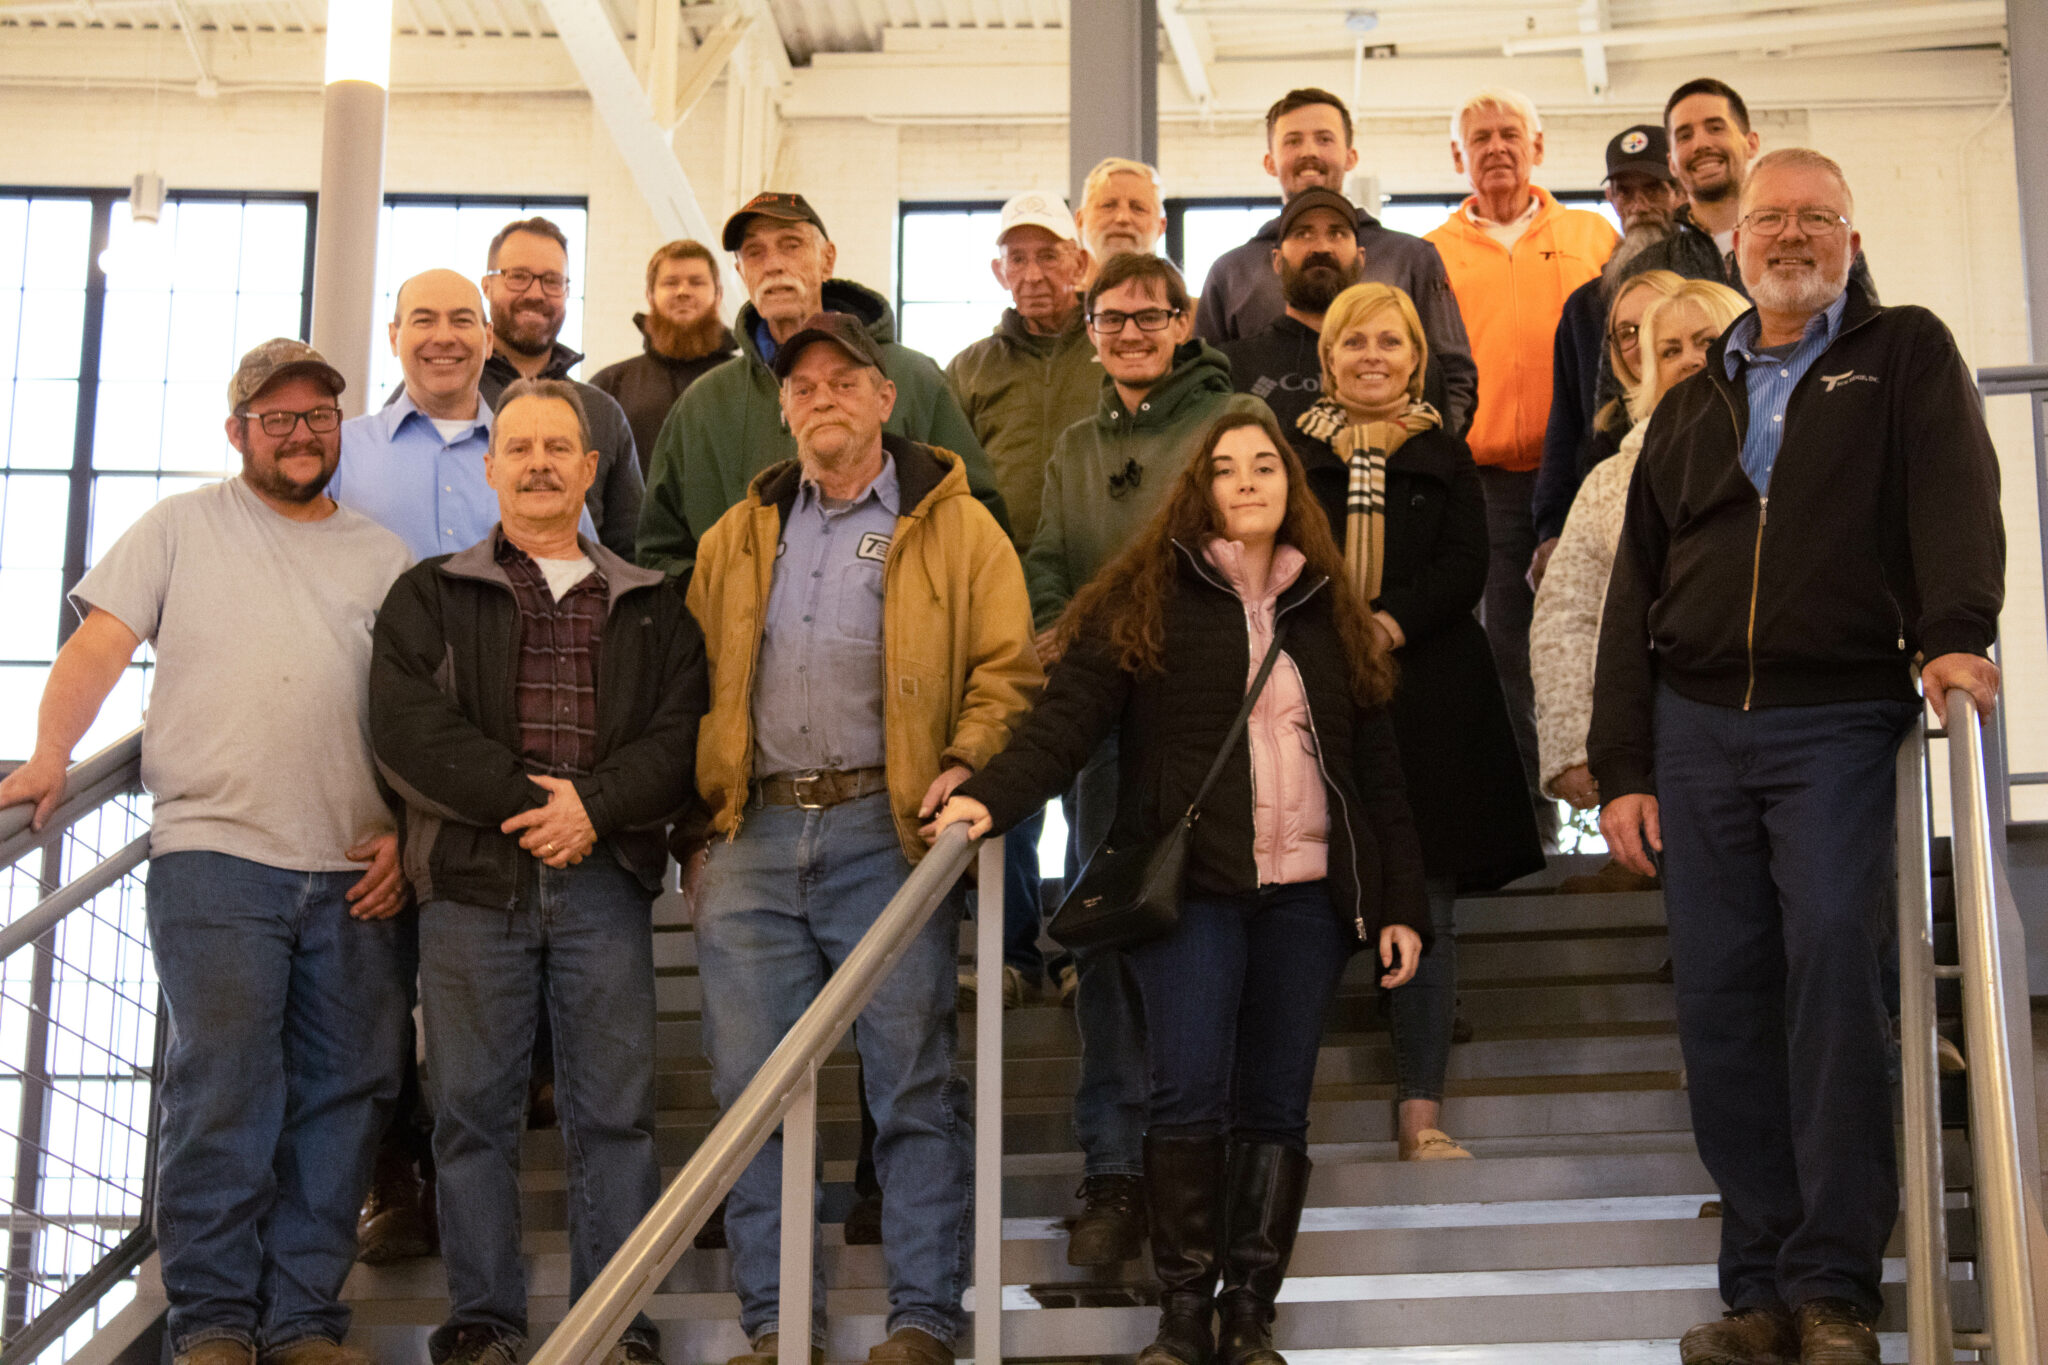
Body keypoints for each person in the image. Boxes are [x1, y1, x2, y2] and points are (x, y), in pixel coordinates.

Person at [1591, 150, 2004, 1365]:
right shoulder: (1688, 402)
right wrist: (1622, 762)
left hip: (1834, 717)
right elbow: (1633, 594)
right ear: (1733, 247)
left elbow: (1952, 498)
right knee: (1720, 1001)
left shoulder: (1903, 354)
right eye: (1767, 218)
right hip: (1694, 727)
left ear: (1847, 237)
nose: (1787, 235)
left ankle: (1832, 1290)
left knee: (1834, 970)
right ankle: (1757, 1291)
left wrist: (1953, 636)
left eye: (1812, 218)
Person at [930, 408, 1426, 1365]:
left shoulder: (1331, 608)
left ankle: (1249, 1315)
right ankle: (1183, 1313)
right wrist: (988, 798)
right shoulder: (1146, 599)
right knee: (1188, 1096)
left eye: (1266, 466)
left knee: (1277, 1108)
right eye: (1227, 468)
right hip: (1192, 892)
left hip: (1308, 899)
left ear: (1292, 487)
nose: (1247, 481)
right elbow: (1063, 723)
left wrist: (1399, 902)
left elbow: (1380, 774)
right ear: (1199, 489)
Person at [0, 339, 413, 1365]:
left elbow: (416, 719)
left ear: (337, 429)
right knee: (225, 1083)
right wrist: (51, 752)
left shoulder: (382, 555)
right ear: (239, 433)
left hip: (355, 871)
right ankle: (217, 1320)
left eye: (318, 415)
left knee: (346, 1092)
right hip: (216, 858)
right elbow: (98, 645)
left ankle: (305, 1317)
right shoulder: (180, 527)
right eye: (276, 418)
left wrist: (408, 833)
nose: (300, 433)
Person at [684, 311, 1038, 1365]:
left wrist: (966, 761)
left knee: (913, 1082)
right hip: (752, 835)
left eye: (845, 381)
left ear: (886, 400)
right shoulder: (736, 536)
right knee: (751, 1093)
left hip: (885, 837)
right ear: (782, 408)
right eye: (803, 387)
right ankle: (772, 1324)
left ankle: (923, 1319)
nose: (822, 397)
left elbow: (1007, 671)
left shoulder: (958, 529)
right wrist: (697, 819)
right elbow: (686, 683)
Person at [369, 378, 708, 1365]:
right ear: (491, 467)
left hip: (604, 888)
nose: (539, 464)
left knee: (614, 1114)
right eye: (518, 449)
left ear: (591, 468)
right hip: (473, 891)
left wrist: (593, 810)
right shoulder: (429, 592)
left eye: (559, 448)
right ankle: (484, 1319)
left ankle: (617, 1321)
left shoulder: (650, 607)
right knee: (471, 1114)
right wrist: (537, 806)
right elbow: (406, 732)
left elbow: (679, 734)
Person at [1025, 251, 1270, 1267]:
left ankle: (1206, 1181)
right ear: (1088, 333)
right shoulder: (1076, 446)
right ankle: (1116, 1172)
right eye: (1110, 320)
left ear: (1181, 324)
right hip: (1102, 741)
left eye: (1148, 317)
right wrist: (1052, 634)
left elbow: (1255, 545)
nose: (1129, 334)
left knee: (1215, 956)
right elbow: (1047, 558)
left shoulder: (1229, 425)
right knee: (1109, 952)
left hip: (1215, 733)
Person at [1287, 282, 1543, 1161]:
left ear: (1415, 357)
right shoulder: (1286, 458)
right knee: (1306, 908)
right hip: (1314, 691)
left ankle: (1419, 1117)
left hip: (1431, 697)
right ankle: (1280, 1123)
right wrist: (1338, 635)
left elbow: (1468, 565)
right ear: (1327, 359)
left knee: (1428, 909)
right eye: (1354, 342)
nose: (1372, 357)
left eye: (1390, 344)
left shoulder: (1447, 453)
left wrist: (1386, 623)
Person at [1424, 87, 1618, 853]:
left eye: (1511, 134)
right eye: (1481, 137)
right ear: (1457, 156)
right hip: (1488, 486)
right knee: (1506, 651)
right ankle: (1533, 832)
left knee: (1610, 641)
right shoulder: (1431, 253)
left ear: (1538, 145)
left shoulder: (1591, 235)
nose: (1497, 147)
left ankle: (1623, 823)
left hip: (1583, 474)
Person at [638, 191, 1005, 579]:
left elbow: (979, 521)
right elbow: (659, 550)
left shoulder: (911, 379)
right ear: (741, 272)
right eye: (755, 252)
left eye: (790, 245)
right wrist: (717, 612)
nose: (774, 264)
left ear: (827, 259)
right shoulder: (704, 404)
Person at [1531, 279, 1745, 893]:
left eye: (1707, 340)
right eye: (1669, 349)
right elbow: (1565, 615)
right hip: (1653, 738)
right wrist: (1575, 744)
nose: (1690, 359)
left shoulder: (1788, 452)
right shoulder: (1608, 480)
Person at [943, 190, 1100, 1006]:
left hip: (1098, 603)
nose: (1035, 272)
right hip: (999, 608)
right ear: (998, 269)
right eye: (1019, 256)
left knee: (1089, 781)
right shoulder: (968, 370)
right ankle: (1008, 952)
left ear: (1081, 261)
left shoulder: (1109, 350)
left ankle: (1075, 946)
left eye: (1050, 254)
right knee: (1011, 779)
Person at [1195, 87, 1476, 437]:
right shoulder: (1231, 272)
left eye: (1325, 139)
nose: (1309, 152)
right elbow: (1203, 385)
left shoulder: (1411, 258)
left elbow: (1454, 374)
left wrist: (1428, 454)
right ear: (1270, 161)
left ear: (1350, 156)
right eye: (1293, 141)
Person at [337, 268, 600, 562]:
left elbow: (585, 573)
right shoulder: (341, 452)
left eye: (462, 321)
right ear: (393, 337)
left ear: (488, 339)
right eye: (424, 320)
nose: (444, 337)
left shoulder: (545, 463)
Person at [1529, 125, 1686, 581]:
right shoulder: (1585, 306)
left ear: (1678, 191)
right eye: (1624, 191)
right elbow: (1566, 424)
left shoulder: (1709, 290)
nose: (1637, 205)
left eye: (1652, 189)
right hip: (1603, 504)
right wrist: (1552, 528)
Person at [1220, 187, 1456, 433]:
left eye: (1337, 234)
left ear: (1361, 258)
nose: (1321, 247)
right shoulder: (1233, 366)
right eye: (1303, 234)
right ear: (1277, 261)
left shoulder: (1412, 366)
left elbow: (1445, 459)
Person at [476, 217, 644, 555]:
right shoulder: (451, 399)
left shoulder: (602, 413)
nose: (535, 293)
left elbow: (631, 549)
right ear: (487, 286)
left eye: (552, 281)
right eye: (518, 277)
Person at [590, 238, 739, 474]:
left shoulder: (749, 381)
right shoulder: (609, 386)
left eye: (696, 282)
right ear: (650, 295)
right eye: (670, 283)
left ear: (718, 295)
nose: (683, 291)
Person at [1074, 157, 1167, 284]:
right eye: (1107, 205)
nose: (1123, 218)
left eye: (1138, 208)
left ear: (1161, 227)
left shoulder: (1185, 304)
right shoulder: (1054, 303)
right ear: (1080, 220)